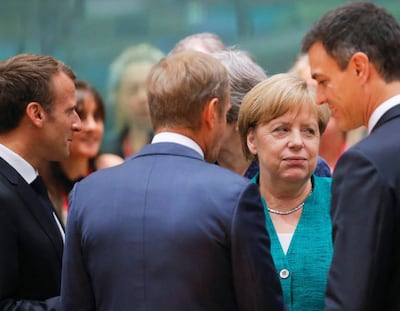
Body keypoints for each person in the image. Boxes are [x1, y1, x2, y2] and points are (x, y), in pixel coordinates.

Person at [61, 50, 286, 311]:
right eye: (225, 114)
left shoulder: (87, 194)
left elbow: (74, 304)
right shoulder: (233, 196)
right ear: (212, 112)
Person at [302, 2, 400, 310]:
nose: (320, 97)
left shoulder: (365, 163)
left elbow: (350, 297)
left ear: (359, 68)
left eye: (323, 81)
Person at [238, 73, 332, 311]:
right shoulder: (230, 209)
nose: (297, 142)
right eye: (282, 129)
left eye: (309, 131)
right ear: (252, 140)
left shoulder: (345, 202)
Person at [0, 53, 81, 310]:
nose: (77, 124)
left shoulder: (26, 180)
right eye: (70, 111)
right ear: (36, 113)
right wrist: (83, 301)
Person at [212, 48, 331, 178]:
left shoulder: (306, 168)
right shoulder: (198, 170)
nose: (296, 142)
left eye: (308, 130)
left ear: (241, 118)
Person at [40, 80, 124, 224]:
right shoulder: (39, 180)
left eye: (97, 117)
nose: (92, 126)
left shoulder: (112, 169)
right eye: (81, 116)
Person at [103, 43, 165, 157]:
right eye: (133, 90)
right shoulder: (104, 151)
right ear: (117, 97)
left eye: (149, 88)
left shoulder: (173, 148)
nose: (142, 98)